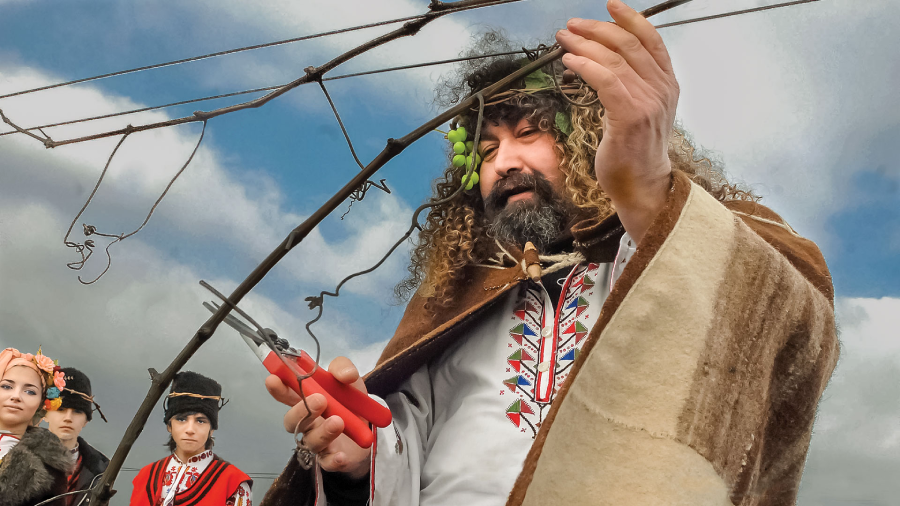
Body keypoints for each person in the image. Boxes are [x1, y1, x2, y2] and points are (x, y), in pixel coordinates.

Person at [262, 1, 838, 505]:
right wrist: (359, 457)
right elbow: (404, 450)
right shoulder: (456, 298)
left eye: (530, 133)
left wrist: (647, 191)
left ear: (587, 136)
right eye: (487, 150)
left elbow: (790, 327)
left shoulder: (675, 242)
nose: (505, 162)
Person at [130, 371, 252, 506]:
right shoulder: (145, 476)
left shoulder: (233, 483)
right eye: (181, 419)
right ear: (169, 426)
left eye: (200, 421)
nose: (190, 429)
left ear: (211, 429)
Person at [0, 347, 72, 506]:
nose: (16, 396)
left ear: (42, 403)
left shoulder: (50, 468)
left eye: (30, 392)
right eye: (6, 386)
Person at [44, 367, 110, 506]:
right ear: (45, 414)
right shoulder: (17, 453)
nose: (68, 418)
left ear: (86, 420)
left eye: (78, 411)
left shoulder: (101, 468)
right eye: (60, 409)